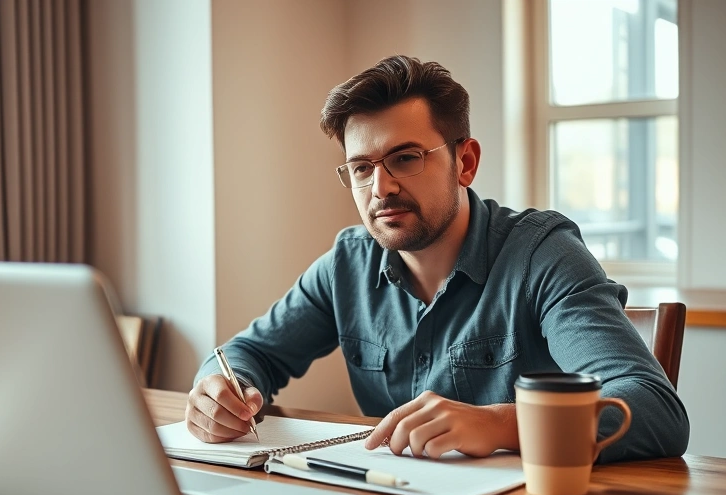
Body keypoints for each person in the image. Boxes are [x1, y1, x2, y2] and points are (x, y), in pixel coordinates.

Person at [185, 55, 689, 463]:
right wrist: (222, 391)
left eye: (405, 158)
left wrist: (499, 423)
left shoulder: (544, 255)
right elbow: (246, 355)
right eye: (361, 168)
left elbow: (654, 408)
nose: (380, 187)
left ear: (464, 162)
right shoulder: (347, 265)